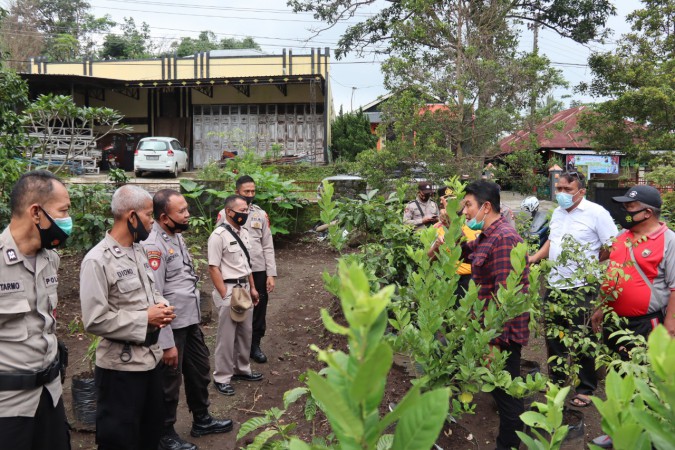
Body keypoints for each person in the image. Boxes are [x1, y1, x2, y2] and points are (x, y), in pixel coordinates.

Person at [80, 184, 176, 450]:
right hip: (120, 370)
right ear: (131, 216)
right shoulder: (97, 260)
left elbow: (153, 291)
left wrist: (162, 306)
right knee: (119, 440)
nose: (152, 222)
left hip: (149, 361)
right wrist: (146, 318)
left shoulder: (139, 250)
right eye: (148, 215)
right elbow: (94, 320)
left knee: (149, 434)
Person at [142, 189, 233, 450]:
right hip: (172, 326)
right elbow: (155, 295)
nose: (187, 214)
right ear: (163, 217)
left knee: (199, 370)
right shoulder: (153, 245)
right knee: (169, 381)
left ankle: (201, 419)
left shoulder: (175, 236)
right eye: (181, 211)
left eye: (186, 209)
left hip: (189, 320)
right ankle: (164, 432)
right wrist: (166, 341)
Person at [590, 185, 675, 448]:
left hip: (646, 324)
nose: (624, 211)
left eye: (630, 207)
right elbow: (612, 274)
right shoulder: (621, 236)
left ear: (647, 212)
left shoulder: (669, 241)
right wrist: (600, 307)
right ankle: (617, 430)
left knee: (644, 380)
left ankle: (646, 434)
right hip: (615, 323)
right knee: (618, 377)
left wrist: (669, 329)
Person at [529, 171, 618, 408]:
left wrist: (591, 262)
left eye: (567, 190)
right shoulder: (557, 213)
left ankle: (585, 387)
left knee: (582, 338)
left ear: (581, 191)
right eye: (559, 189)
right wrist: (535, 257)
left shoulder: (597, 213)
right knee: (554, 338)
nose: (561, 194)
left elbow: (612, 245)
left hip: (582, 286)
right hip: (555, 285)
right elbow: (552, 240)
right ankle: (557, 381)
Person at [0, 170, 71, 450]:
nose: (68, 220)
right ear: (35, 212)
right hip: (8, 406)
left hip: (50, 396)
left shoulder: (50, 259)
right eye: (63, 211)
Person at [460, 180, 530, 450]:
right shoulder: (489, 236)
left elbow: (506, 298)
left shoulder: (505, 239)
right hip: (489, 331)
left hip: (501, 335)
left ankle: (509, 445)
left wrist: (494, 342)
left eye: (468, 205)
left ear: (486, 207)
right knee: (502, 392)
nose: (464, 211)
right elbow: (471, 251)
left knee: (507, 395)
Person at [216, 175, 277, 364]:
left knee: (259, 308)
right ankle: (236, 347)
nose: (250, 195)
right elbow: (220, 243)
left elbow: (268, 245)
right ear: (237, 192)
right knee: (237, 307)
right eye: (246, 192)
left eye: (253, 191)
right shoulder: (225, 214)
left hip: (258, 269)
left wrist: (271, 274)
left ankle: (254, 345)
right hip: (236, 271)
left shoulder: (261, 214)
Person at [208, 195, 262, 396]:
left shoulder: (244, 233)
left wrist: (253, 287)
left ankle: (241, 369)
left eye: (247, 210)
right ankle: (221, 377)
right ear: (229, 212)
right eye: (241, 210)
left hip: (244, 288)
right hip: (229, 289)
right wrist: (224, 294)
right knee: (226, 337)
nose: (245, 213)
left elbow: (247, 266)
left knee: (245, 332)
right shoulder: (218, 235)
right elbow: (213, 267)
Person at [428, 187, 480, 295]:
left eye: (454, 201)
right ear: (441, 205)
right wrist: (436, 247)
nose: (451, 205)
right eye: (447, 202)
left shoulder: (473, 223)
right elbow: (428, 259)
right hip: (449, 279)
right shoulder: (436, 228)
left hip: (474, 277)